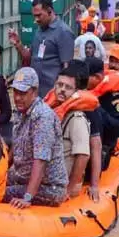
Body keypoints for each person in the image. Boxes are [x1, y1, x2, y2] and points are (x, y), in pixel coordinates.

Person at [4, 67, 68, 208]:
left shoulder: (42, 117)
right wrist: (2, 170)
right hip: (21, 176)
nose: (17, 97)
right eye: (15, 92)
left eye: (23, 93)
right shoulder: (21, 112)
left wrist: (28, 197)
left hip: (49, 188)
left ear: (34, 91)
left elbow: (40, 160)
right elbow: (16, 145)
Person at [44, 63, 100, 200]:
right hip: (51, 177)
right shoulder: (50, 110)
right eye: (59, 85)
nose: (62, 90)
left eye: (68, 87)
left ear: (76, 92)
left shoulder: (77, 119)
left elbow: (84, 155)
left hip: (63, 184)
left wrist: (68, 191)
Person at [9, 0, 75, 98]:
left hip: (52, 95)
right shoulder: (39, 30)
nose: (36, 20)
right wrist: (18, 44)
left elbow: (67, 68)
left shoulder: (63, 32)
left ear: (49, 11)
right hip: (36, 94)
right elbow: (29, 58)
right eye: (34, 16)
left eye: (39, 15)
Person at [85, 57, 119, 170]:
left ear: (97, 77)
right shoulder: (80, 92)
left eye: (85, 77)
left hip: (102, 147)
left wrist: (98, 109)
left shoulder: (115, 98)